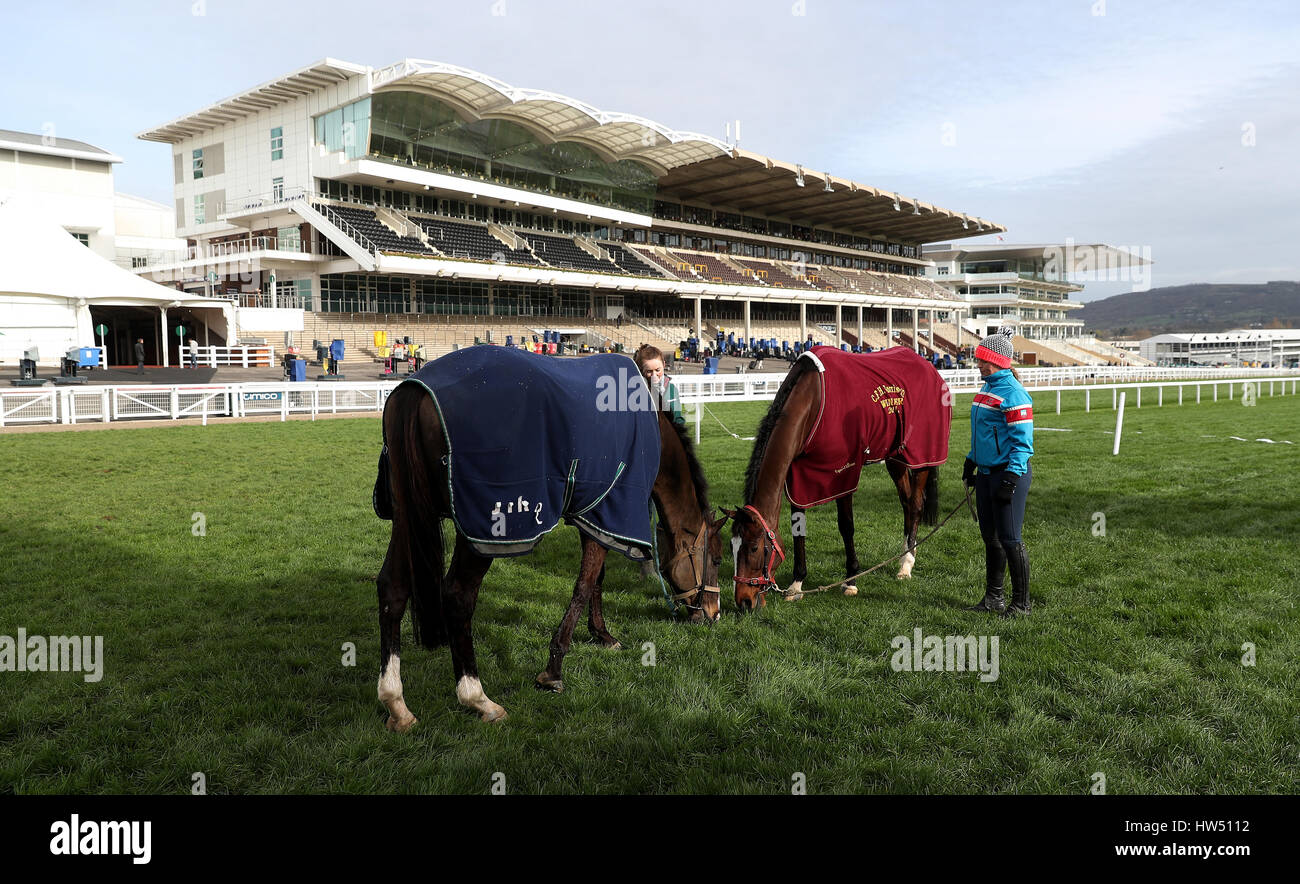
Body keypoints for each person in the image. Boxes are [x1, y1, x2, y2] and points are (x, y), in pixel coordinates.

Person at [961, 327, 1034, 616]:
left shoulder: (1014, 394)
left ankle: (1021, 604)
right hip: (988, 473)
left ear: (998, 362)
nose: (978, 365)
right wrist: (971, 460)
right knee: (990, 537)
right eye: (978, 360)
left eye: (982, 361)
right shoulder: (987, 388)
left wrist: (1012, 477)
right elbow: (983, 432)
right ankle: (993, 599)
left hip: (1008, 474)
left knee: (1010, 538)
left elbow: (1022, 443)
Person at [633, 343, 684, 427]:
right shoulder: (636, 391)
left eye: (657, 370)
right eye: (649, 371)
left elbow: (678, 418)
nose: (654, 375)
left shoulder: (671, 389)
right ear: (641, 370)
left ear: (664, 365)